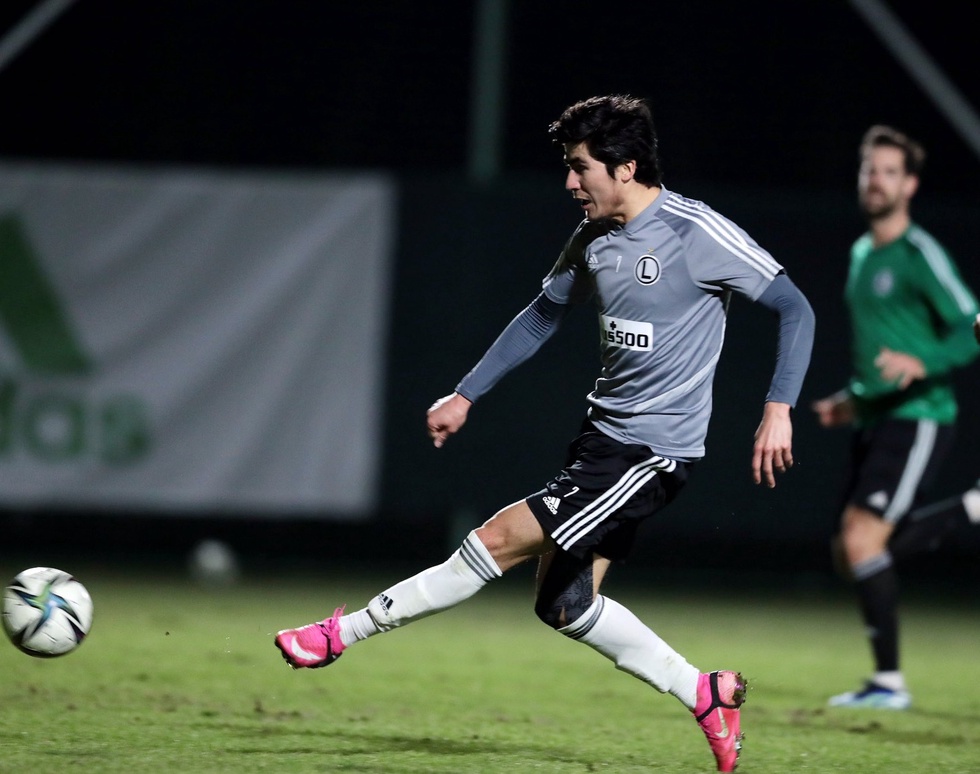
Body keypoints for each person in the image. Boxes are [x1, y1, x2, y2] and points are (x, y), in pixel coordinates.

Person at [275, 94, 815, 772]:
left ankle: (340, 634)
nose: (569, 182)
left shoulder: (695, 232)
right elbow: (541, 315)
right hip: (601, 441)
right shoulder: (592, 237)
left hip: (650, 455)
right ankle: (702, 692)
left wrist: (778, 408)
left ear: (624, 167)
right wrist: (466, 394)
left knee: (494, 540)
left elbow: (795, 307)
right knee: (564, 605)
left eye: (580, 166)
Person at [812, 125, 979, 710]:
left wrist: (922, 361)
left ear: (909, 185)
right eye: (870, 170)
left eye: (889, 171)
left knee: (863, 540)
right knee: (849, 551)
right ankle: (971, 508)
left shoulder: (918, 252)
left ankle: (889, 684)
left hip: (920, 414)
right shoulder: (863, 253)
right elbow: (881, 354)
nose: (877, 181)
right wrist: (853, 399)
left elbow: (971, 324)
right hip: (876, 417)